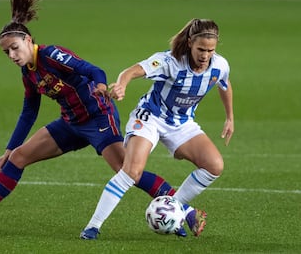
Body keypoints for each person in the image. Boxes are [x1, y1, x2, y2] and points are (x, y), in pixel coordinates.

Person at [0, 0, 204, 237]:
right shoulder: (29, 73)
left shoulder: (51, 55)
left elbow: (92, 70)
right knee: (18, 158)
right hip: (71, 123)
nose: (12, 55)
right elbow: (28, 112)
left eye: (15, 48)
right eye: (6, 52)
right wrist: (8, 151)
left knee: (127, 173)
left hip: (99, 118)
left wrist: (102, 86)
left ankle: (185, 211)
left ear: (27, 40)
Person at [80, 18, 234, 240]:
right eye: (201, 49)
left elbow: (225, 84)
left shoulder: (219, 65)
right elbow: (132, 71)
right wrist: (122, 84)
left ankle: (177, 211)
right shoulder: (169, 61)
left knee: (214, 166)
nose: (205, 55)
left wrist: (230, 117)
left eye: (210, 50)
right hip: (150, 117)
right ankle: (93, 227)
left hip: (181, 123)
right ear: (190, 42)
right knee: (131, 172)